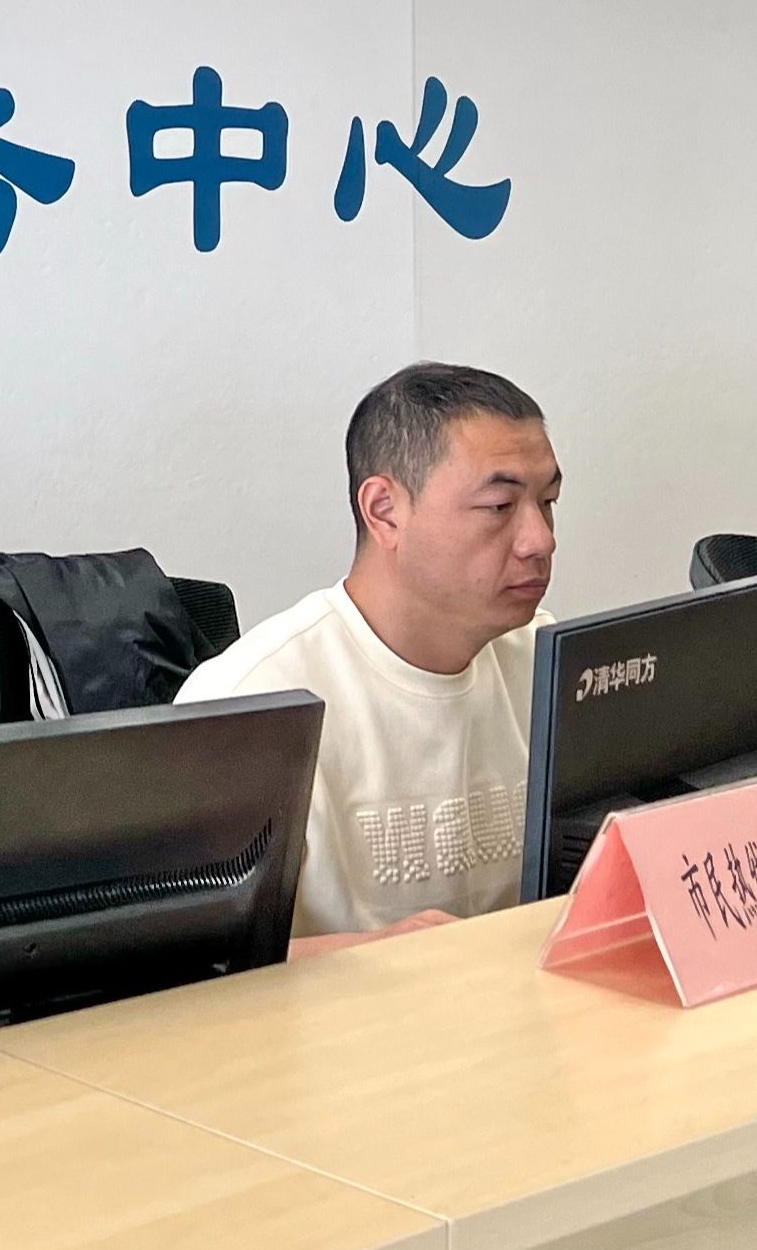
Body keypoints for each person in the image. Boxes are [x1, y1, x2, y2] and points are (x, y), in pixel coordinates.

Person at [177, 362, 559, 938]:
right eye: (500, 507)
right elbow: (179, 968)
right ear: (384, 511)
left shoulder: (546, 661)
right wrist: (373, 955)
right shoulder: (247, 702)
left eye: (548, 502)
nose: (540, 541)